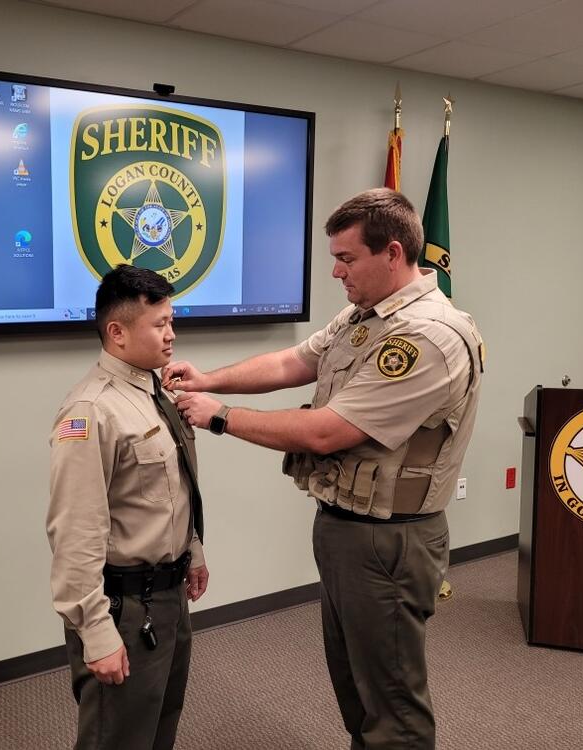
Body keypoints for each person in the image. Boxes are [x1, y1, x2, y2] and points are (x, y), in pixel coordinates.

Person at [167, 188, 483, 750]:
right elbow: (293, 361)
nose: (335, 271)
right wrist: (207, 379)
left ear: (392, 253)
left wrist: (220, 418)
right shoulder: (365, 316)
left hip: (389, 542)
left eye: (346, 258)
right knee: (355, 686)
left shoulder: (427, 336)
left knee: (391, 702)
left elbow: (327, 430)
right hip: (346, 526)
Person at [47, 265, 210, 750]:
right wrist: (95, 631)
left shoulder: (153, 391)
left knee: (159, 728)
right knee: (117, 739)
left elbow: (174, 486)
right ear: (116, 332)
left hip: (168, 595)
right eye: (159, 324)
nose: (171, 335)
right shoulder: (90, 411)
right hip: (123, 607)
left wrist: (193, 551)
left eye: (171, 321)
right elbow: (74, 532)